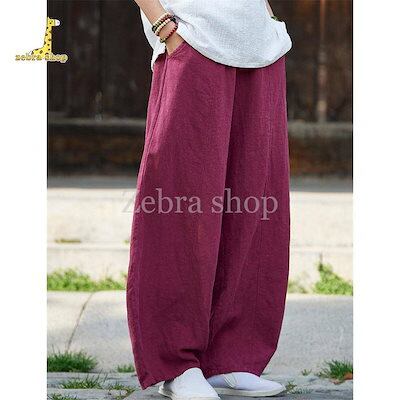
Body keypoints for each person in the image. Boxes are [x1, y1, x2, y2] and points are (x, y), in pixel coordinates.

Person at [126, 0, 292, 398]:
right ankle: (176, 365)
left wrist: (268, 18)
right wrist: (163, 27)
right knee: (183, 208)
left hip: (260, 46)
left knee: (254, 209)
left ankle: (231, 357)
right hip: (193, 37)